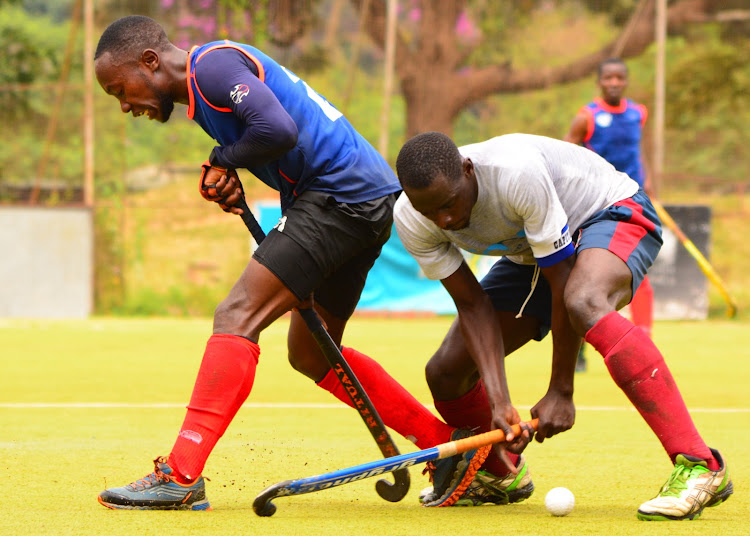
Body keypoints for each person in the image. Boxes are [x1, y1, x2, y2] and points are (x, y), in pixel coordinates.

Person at [93, 15, 488, 510]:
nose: (125, 105)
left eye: (120, 89)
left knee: (236, 315)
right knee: (311, 353)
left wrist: (224, 158)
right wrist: (232, 176)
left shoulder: (209, 68)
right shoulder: (206, 87)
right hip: (357, 201)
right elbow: (286, 147)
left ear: (150, 61)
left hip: (338, 198)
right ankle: (445, 446)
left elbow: (277, 128)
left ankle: (181, 473)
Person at [394, 131, 732, 520]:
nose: (446, 220)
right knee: (446, 372)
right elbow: (473, 306)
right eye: (430, 211)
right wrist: (500, 404)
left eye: (450, 203)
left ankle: (699, 465)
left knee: (583, 299)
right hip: (534, 254)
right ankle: (499, 472)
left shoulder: (513, 173)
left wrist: (561, 390)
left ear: (467, 171)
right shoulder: (409, 217)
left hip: (610, 212)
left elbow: (562, 281)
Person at [564, 58, 654, 373]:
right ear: (600, 82)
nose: (614, 82)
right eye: (608, 78)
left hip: (631, 202)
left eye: (619, 77)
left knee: (638, 272)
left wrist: (649, 179)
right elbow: (567, 153)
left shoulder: (638, 113)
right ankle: (577, 350)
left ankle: (644, 344)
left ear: (626, 81)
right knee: (582, 276)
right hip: (595, 203)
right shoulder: (587, 116)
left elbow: (638, 149)